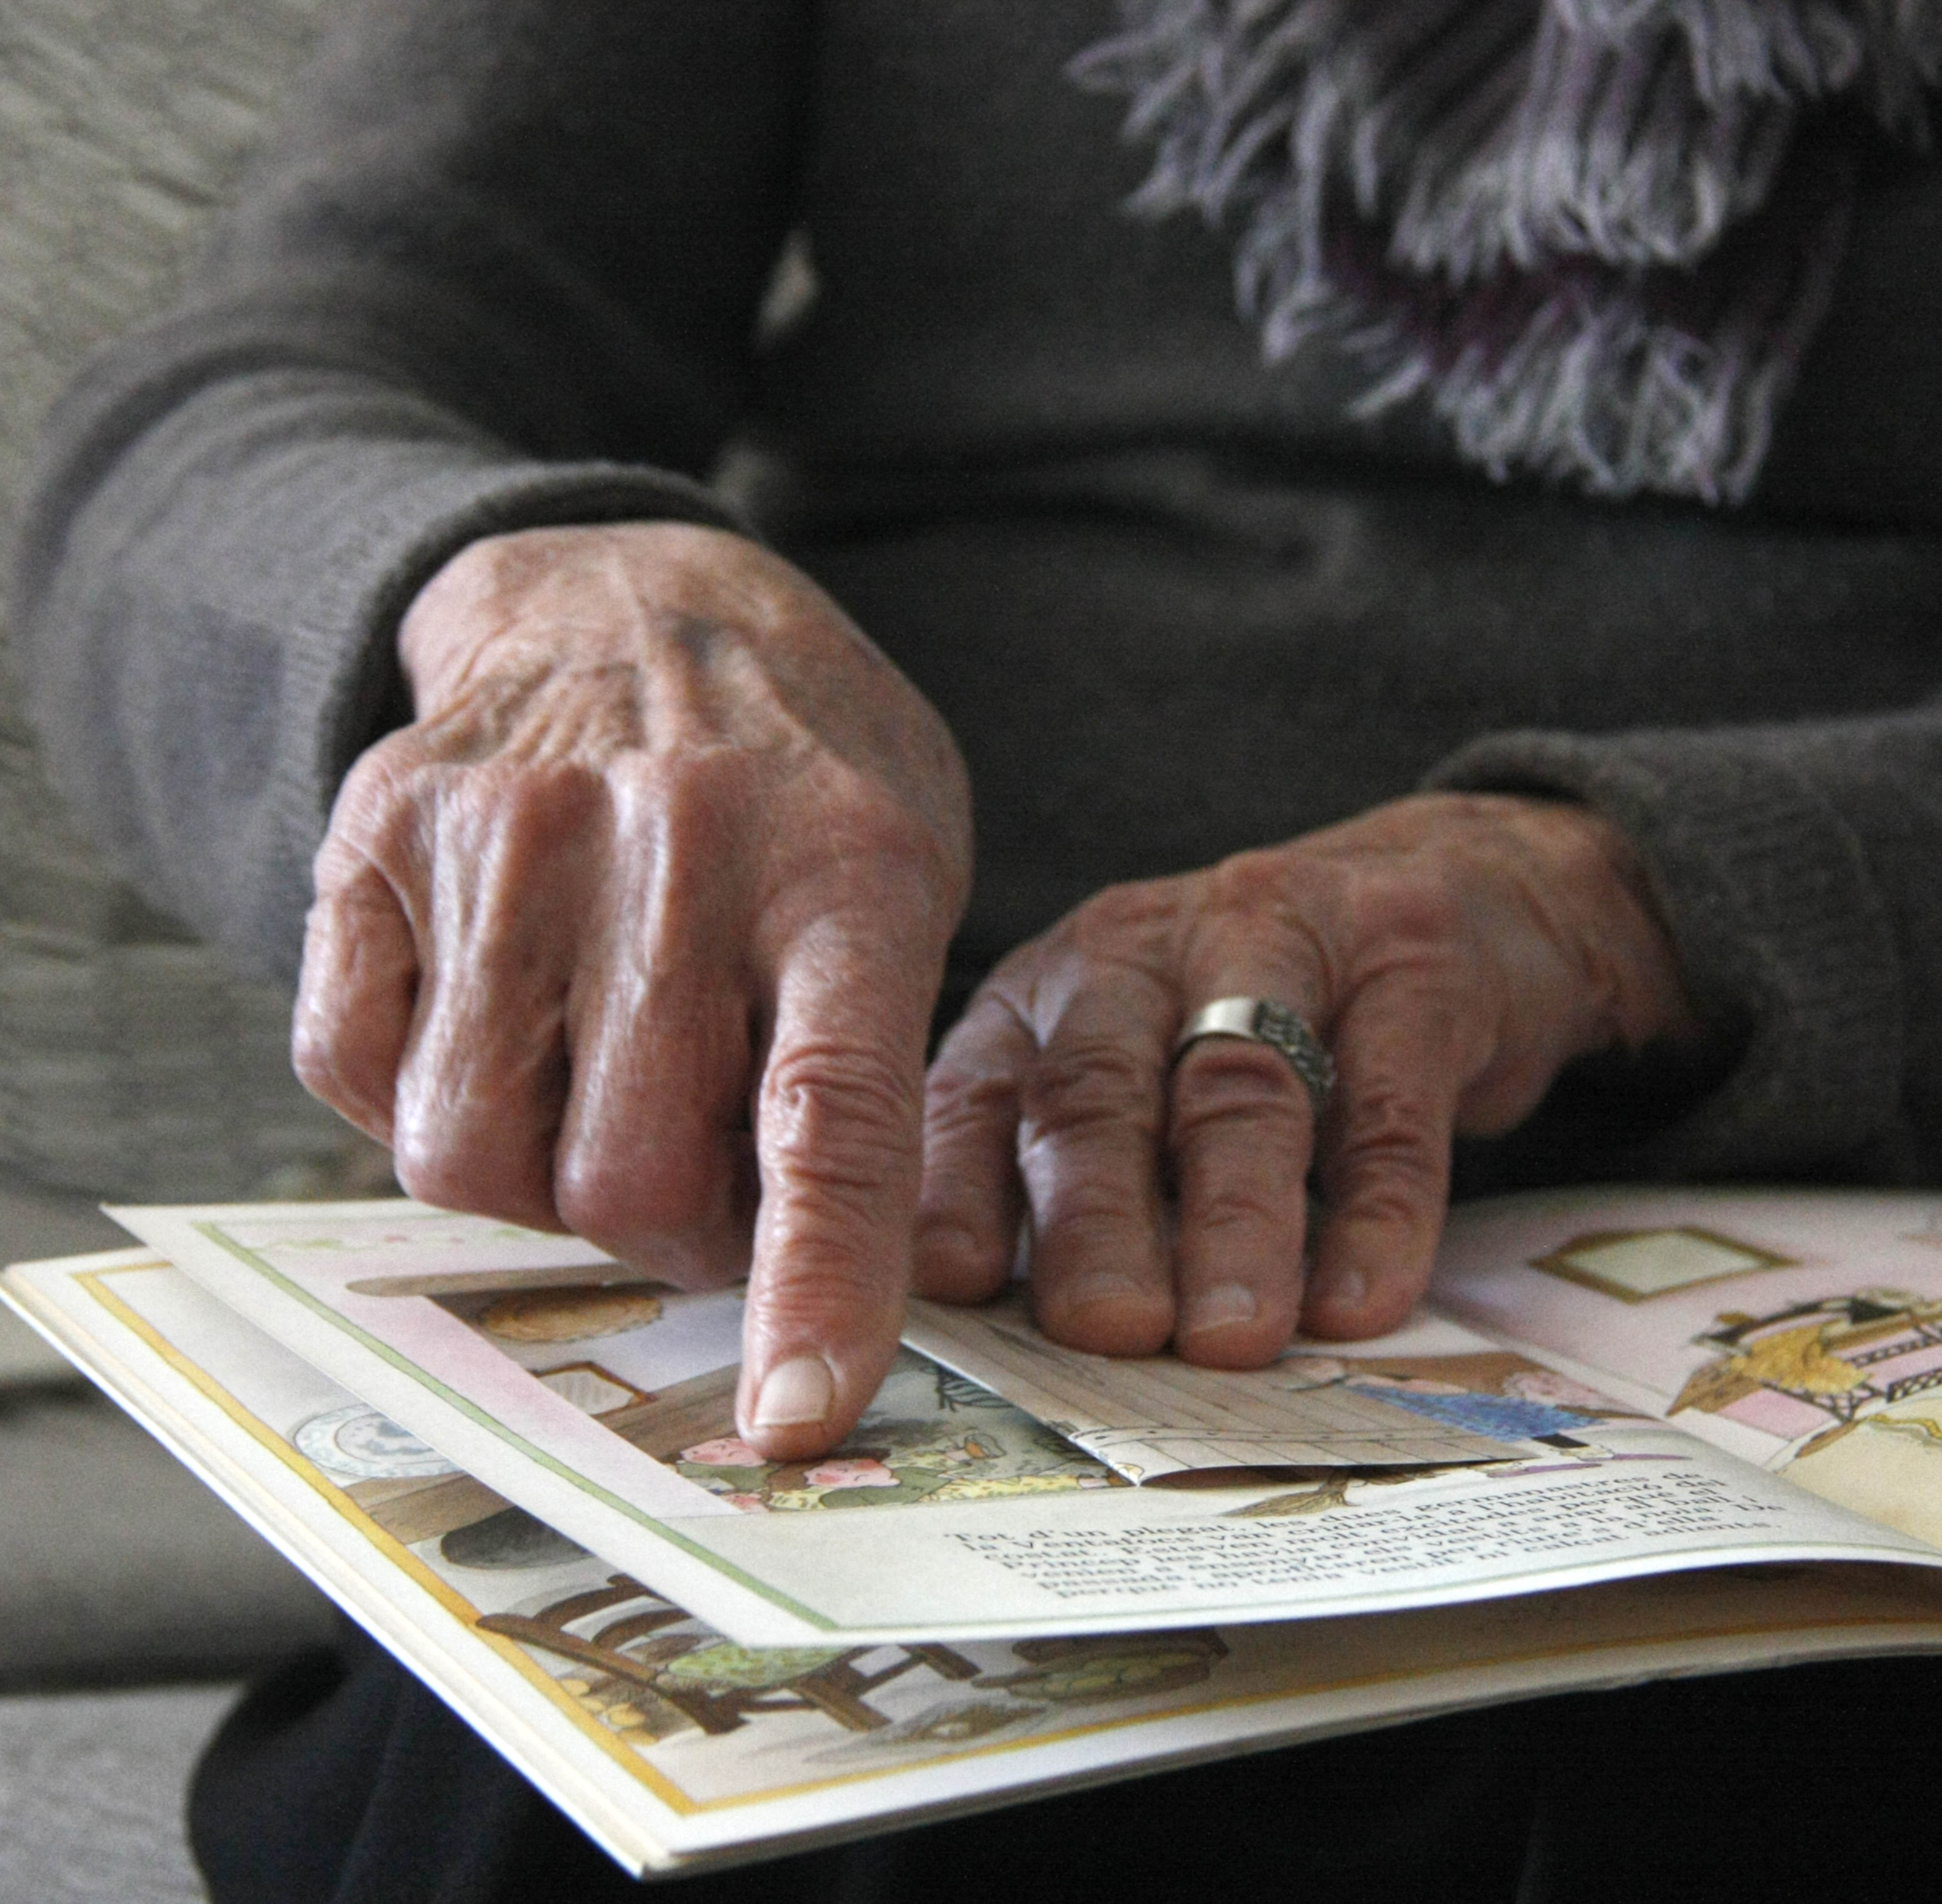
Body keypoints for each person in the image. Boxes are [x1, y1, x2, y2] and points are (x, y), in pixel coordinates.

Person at [17, 1, 1942, 1896]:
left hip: (1848, 1135)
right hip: (914, 1181)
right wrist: (523, 598)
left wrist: (1668, 894)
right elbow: (232, 412)